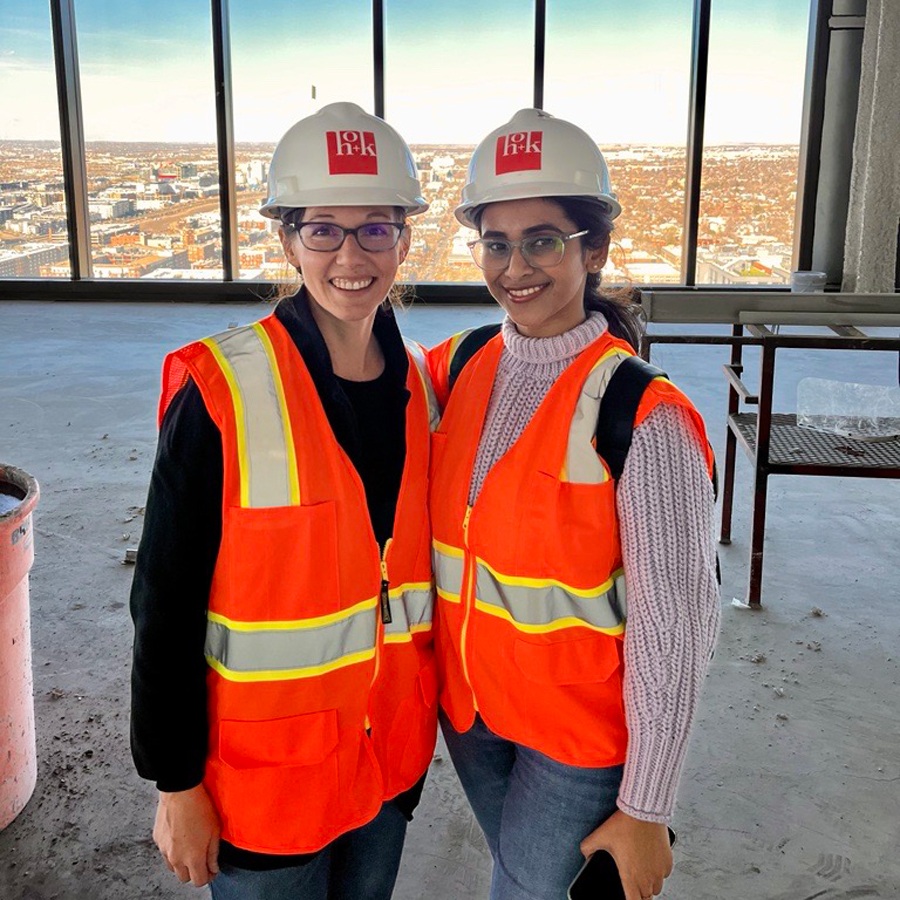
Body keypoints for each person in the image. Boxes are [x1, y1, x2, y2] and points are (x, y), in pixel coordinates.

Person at [129, 102, 439, 900]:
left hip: (383, 768)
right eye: (322, 229)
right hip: (262, 792)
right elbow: (163, 603)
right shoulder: (222, 392)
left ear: (404, 238)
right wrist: (174, 783)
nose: (351, 254)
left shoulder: (426, 394)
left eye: (376, 227)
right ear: (286, 239)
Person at [427, 108, 720, 900]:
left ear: (595, 249)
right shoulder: (460, 366)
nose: (515, 266)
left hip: (577, 743)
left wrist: (647, 806)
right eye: (496, 241)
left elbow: (677, 622)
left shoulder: (641, 416)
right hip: (473, 719)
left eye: (543, 240)